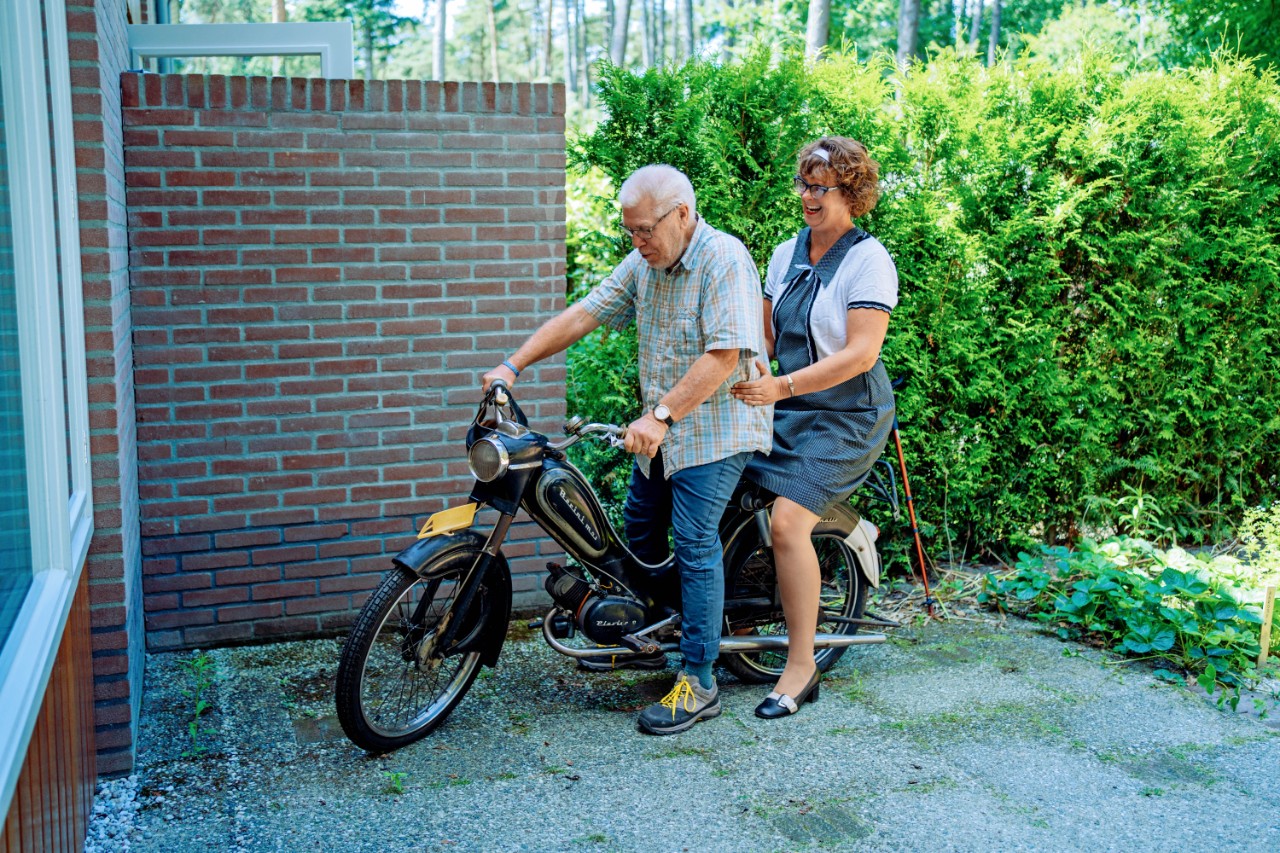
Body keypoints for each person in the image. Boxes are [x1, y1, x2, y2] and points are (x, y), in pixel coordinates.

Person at [482, 164, 772, 735]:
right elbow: (585, 313)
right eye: (630, 231)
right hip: (664, 433)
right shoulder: (646, 262)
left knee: (693, 541)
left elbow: (723, 356)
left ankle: (700, 681)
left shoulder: (724, 259)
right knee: (638, 532)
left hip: (718, 429)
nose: (637, 242)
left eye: (645, 230)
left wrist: (660, 415)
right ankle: (651, 635)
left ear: (682, 215)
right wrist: (512, 366)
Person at [730, 136, 898, 719]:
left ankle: (801, 668)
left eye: (821, 186)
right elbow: (767, 336)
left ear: (851, 193)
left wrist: (780, 387)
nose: (808, 195)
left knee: (787, 523)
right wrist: (749, 368)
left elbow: (861, 354)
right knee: (720, 491)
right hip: (790, 403)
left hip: (847, 415)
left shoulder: (868, 260)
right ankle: (730, 626)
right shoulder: (785, 253)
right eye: (803, 183)